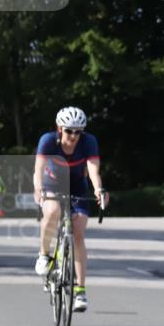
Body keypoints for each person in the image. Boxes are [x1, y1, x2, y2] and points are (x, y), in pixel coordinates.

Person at [34, 107, 108, 312]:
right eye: (69, 131)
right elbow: (38, 169)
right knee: (52, 211)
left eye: (78, 131)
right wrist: (38, 188)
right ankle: (44, 254)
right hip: (51, 183)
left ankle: (80, 290)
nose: (74, 136)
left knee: (78, 234)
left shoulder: (88, 141)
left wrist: (98, 189)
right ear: (60, 129)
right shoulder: (48, 140)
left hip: (77, 185)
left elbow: (93, 169)